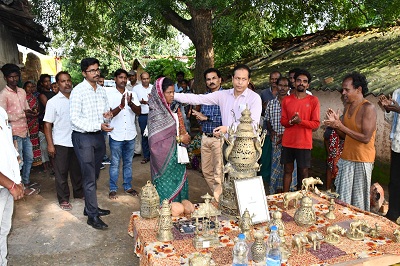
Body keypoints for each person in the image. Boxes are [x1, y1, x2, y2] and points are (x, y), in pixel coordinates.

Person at [324, 72, 376, 211]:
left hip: (362, 160)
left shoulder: (368, 108)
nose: (343, 92)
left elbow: (365, 138)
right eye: (343, 89)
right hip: (346, 158)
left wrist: (340, 126)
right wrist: (336, 125)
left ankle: (357, 230)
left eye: (347, 89)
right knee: (343, 200)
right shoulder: (348, 107)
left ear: (358, 90)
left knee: (358, 202)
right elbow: (343, 136)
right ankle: (343, 227)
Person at [70, 58, 112, 229]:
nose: (96, 73)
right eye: (92, 70)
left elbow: (104, 113)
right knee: (88, 177)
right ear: (84, 73)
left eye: (97, 69)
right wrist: (98, 125)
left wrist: (107, 116)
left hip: (98, 136)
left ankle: (90, 208)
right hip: (83, 137)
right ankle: (92, 216)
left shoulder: (101, 91)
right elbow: (74, 119)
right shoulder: (78, 91)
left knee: (94, 175)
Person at [174, 64, 262, 138]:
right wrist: (173, 95)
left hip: (247, 148)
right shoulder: (223, 95)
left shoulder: (254, 98)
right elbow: (198, 98)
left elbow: (253, 125)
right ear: (232, 79)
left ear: (248, 81)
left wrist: (228, 129)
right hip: (226, 144)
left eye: (244, 79)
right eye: (237, 78)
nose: (240, 82)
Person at [43, 71, 84, 211]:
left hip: (77, 141)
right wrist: (50, 144)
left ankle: (78, 193)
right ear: (57, 84)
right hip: (61, 143)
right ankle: (64, 199)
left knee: (77, 171)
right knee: (61, 173)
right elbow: (47, 124)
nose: (66, 83)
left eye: (68, 80)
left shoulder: (77, 99)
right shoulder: (53, 102)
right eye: (62, 81)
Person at [148, 77, 190, 202]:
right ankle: (165, 214)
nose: (172, 95)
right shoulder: (155, 112)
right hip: (164, 159)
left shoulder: (174, 108)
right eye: (169, 92)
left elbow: (181, 127)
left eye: (173, 92)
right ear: (160, 93)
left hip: (178, 156)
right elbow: (155, 142)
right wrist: (179, 139)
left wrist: (185, 137)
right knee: (166, 189)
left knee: (179, 184)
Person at [0, 64, 40, 195]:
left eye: (16, 76)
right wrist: (24, 114)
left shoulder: (22, 92)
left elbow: (26, 107)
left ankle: (26, 182)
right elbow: (3, 116)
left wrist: (31, 111)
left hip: (25, 131)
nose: (14, 79)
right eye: (11, 77)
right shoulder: (4, 95)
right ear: (6, 78)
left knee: (30, 158)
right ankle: (19, 186)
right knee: (19, 161)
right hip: (13, 133)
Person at [280, 69, 320, 192]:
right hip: (288, 142)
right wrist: (291, 122)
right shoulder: (287, 100)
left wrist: (300, 121)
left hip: (304, 143)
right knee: (287, 171)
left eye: (304, 81)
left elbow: (316, 124)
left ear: (308, 85)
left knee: (303, 172)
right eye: (298, 81)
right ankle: (284, 197)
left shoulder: (313, 101)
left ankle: (303, 200)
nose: (301, 83)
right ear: (294, 82)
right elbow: (283, 121)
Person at [106, 69, 141, 199]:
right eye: (120, 77)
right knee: (115, 163)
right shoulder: (109, 94)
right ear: (115, 79)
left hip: (130, 134)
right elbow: (109, 115)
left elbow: (139, 112)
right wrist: (121, 106)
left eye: (125, 78)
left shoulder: (132, 94)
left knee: (128, 162)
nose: (123, 80)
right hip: (116, 134)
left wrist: (130, 103)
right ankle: (113, 188)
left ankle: (128, 186)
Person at [191, 68, 223, 201]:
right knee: (206, 171)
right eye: (208, 79)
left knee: (218, 173)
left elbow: (227, 119)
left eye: (214, 78)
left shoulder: (226, 96)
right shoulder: (205, 97)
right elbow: (202, 116)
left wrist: (206, 118)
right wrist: (200, 118)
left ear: (220, 80)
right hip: (205, 137)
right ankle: (220, 197)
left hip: (219, 138)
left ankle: (219, 200)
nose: (211, 81)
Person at [0, 106, 24, 265]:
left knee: (3, 229)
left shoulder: (1, 112)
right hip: (5, 184)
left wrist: (16, 178)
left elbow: (6, 143)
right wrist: (11, 185)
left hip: (8, 183)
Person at [266, 77, 297, 194]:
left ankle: (288, 192)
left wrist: (286, 135)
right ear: (276, 86)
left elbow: (295, 122)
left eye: (285, 86)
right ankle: (276, 192)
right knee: (276, 167)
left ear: (289, 87)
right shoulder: (271, 103)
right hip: (275, 140)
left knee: (289, 168)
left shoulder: (292, 103)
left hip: (289, 141)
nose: (282, 88)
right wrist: (271, 131)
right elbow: (267, 120)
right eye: (280, 85)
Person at [379, 90, 400, 221]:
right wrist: (387, 109)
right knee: (394, 182)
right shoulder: (397, 92)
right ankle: (393, 213)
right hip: (397, 145)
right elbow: (391, 119)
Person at [259, 71, 281, 187]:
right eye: (272, 78)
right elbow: (260, 112)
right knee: (266, 156)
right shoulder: (264, 93)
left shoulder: (284, 94)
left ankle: (276, 180)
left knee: (277, 157)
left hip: (280, 131)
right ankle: (265, 179)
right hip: (266, 131)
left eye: (276, 79)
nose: (274, 81)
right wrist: (263, 107)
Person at [133, 72, 153, 164]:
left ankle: (154, 156)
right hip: (142, 115)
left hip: (153, 115)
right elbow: (133, 101)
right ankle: (146, 156)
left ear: (150, 78)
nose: (145, 80)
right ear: (141, 80)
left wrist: (149, 102)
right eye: (144, 79)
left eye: (147, 78)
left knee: (153, 135)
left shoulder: (153, 88)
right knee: (144, 135)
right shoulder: (136, 89)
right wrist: (140, 102)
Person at [23, 81, 42, 167]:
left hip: (34, 121)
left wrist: (36, 112)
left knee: (35, 139)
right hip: (26, 122)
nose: (30, 89)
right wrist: (31, 114)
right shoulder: (22, 98)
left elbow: (37, 108)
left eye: (32, 87)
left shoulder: (34, 97)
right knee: (27, 141)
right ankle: (28, 162)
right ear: (24, 88)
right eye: (28, 87)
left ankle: (36, 161)